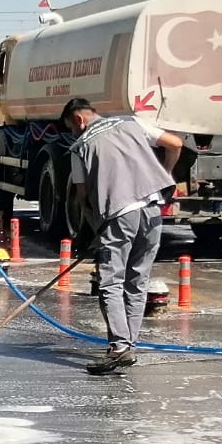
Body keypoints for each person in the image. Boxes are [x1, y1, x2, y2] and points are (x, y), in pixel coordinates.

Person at [63, 97, 182, 375]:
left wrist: (90, 230)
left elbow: (83, 196)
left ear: (79, 120)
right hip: (152, 210)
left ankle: (119, 347)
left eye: (71, 127)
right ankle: (128, 345)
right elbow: (175, 144)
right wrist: (163, 174)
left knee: (110, 282)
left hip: (119, 214)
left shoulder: (79, 147)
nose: (73, 132)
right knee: (137, 281)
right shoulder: (132, 123)